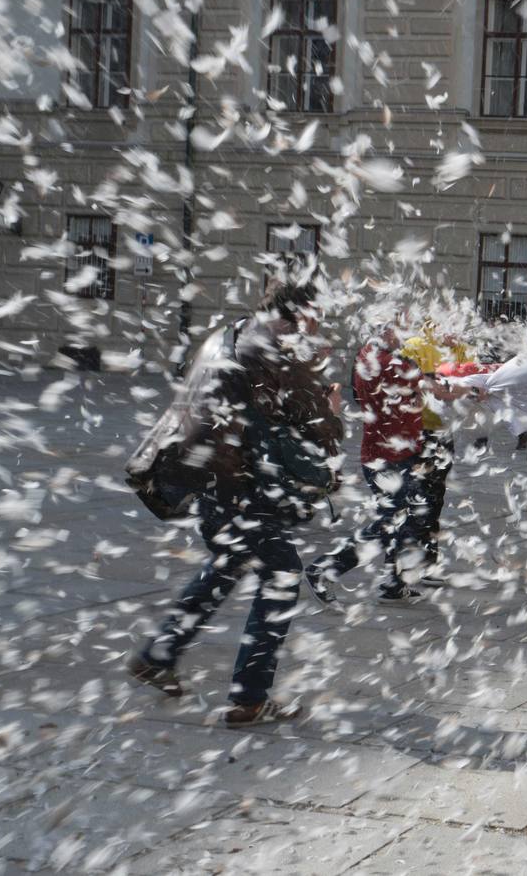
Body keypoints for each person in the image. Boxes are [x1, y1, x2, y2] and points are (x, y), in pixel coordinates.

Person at [128, 276, 343, 726]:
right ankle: (249, 699)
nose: (319, 324)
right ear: (302, 313)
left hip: (208, 477)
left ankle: (158, 656)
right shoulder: (278, 350)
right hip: (243, 485)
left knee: (230, 561)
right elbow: (320, 427)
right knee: (282, 574)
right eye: (317, 315)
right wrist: (331, 402)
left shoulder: (229, 333)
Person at [306, 318, 435, 602]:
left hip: (395, 452)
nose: (404, 333)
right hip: (387, 458)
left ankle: (394, 581)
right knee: (391, 521)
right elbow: (430, 384)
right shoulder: (386, 362)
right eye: (399, 327)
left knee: (406, 518)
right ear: (385, 330)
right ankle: (324, 568)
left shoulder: (371, 354)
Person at [399, 323, 473, 575]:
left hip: (443, 432)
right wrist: (443, 389)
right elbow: (409, 385)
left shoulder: (463, 349)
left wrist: (451, 390)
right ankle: (408, 561)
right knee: (417, 497)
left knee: (435, 498)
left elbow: (470, 386)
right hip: (417, 432)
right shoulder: (415, 346)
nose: (456, 332)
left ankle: (427, 561)